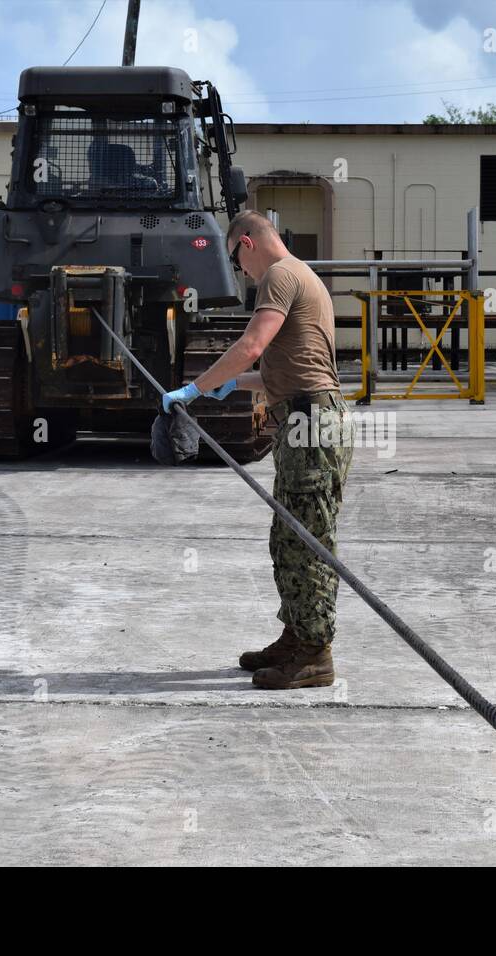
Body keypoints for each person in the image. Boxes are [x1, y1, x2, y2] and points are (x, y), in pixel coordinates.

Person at [163, 209, 353, 690]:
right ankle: (296, 636)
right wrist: (234, 386)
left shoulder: (279, 275)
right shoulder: (299, 276)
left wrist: (196, 388)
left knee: (308, 541)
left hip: (310, 422)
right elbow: (284, 365)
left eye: (234, 259)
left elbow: (252, 345)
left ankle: (314, 654)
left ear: (246, 241)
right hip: (302, 417)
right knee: (289, 537)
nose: (240, 272)